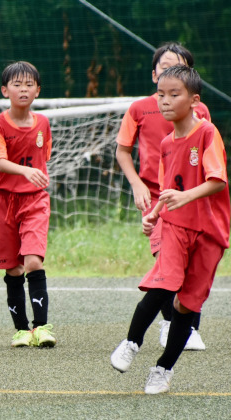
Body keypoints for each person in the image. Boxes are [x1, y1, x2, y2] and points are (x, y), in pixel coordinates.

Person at [110, 65, 229, 394]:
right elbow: (167, 187)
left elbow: (217, 181)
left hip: (209, 233)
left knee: (187, 305)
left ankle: (163, 369)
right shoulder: (164, 142)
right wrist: (155, 214)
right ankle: (132, 342)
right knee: (165, 281)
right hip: (176, 225)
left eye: (174, 94)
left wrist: (184, 196)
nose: (164, 101)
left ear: (194, 100)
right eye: (161, 94)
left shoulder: (207, 133)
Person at [115, 42, 211, 351]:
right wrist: (137, 184)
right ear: (154, 74)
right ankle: (171, 324)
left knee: (189, 265)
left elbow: (205, 156)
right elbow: (123, 151)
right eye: (165, 67)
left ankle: (187, 325)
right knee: (167, 261)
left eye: (178, 68)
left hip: (190, 200)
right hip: (155, 199)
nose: (169, 73)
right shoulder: (138, 109)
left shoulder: (199, 112)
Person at [0, 61, 56, 348]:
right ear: (5, 90)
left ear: (38, 90)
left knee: (33, 261)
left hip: (35, 200)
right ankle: (22, 331)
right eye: (17, 84)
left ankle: (42, 327)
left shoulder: (43, 123)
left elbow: (44, 158)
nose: (23, 89)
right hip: (3, 202)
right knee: (13, 268)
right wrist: (25, 171)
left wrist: (31, 176)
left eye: (29, 84)